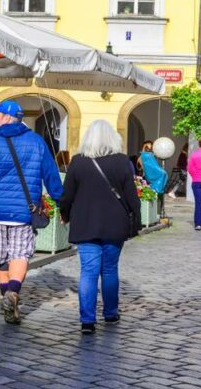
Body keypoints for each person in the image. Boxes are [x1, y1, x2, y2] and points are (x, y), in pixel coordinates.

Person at [0, 100, 63, 325]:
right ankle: (13, 293)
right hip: (24, 213)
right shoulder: (37, 142)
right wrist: (61, 201)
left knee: (0, 257)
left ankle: (5, 295)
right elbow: (51, 175)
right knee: (19, 254)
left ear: (7, 116)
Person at [59, 120, 141, 335]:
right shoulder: (122, 162)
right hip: (115, 223)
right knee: (110, 269)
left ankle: (87, 320)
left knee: (88, 271)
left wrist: (65, 214)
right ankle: (111, 313)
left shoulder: (78, 162)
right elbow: (132, 197)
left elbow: (67, 195)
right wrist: (136, 221)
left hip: (85, 223)